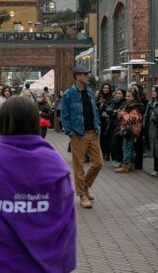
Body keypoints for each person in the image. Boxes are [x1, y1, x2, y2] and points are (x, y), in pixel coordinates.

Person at [0, 96, 76, 272]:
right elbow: (66, 216)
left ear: (3, 123)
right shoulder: (55, 162)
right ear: (35, 122)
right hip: (45, 264)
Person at [61, 65, 102, 209]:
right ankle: (82, 195)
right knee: (79, 167)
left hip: (93, 133)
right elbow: (64, 116)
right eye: (85, 74)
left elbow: (95, 110)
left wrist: (98, 126)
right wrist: (70, 132)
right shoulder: (68, 94)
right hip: (78, 135)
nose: (87, 77)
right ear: (77, 76)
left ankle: (85, 186)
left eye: (87, 74)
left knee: (98, 163)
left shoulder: (90, 92)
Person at [114, 91, 143, 173]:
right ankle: (131, 165)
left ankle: (125, 166)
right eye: (126, 96)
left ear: (133, 97)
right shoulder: (130, 105)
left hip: (130, 130)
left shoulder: (134, 107)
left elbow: (133, 118)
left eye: (128, 96)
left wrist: (122, 114)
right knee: (130, 147)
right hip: (130, 129)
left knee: (126, 147)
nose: (126, 98)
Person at [96, 83, 115, 162]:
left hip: (108, 119)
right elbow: (95, 106)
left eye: (107, 88)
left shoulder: (112, 98)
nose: (105, 89)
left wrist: (104, 105)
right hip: (100, 119)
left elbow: (111, 108)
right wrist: (99, 103)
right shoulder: (98, 97)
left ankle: (107, 154)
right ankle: (102, 153)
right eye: (104, 88)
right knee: (100, 137)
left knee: (107, 137)